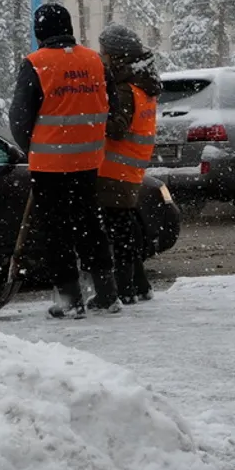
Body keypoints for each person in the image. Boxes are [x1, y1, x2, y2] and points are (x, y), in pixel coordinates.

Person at [6, 3, 122, 317]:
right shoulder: (95, 61)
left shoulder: (36, 63)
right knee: (90, 225)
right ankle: (107, 293)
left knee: (56, 231)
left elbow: (19, 118)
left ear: (39, 30)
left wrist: (35, 147)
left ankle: (70, 300)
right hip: (88, 161)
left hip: (49, 166)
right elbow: (111, 104)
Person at [96, 25, 164, 304]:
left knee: (119, 230)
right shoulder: (142, 84)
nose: (101, 58)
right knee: (128, 226)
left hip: (114, 169)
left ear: (117, 56)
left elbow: (117, 128)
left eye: (104, 53)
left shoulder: (125, 88)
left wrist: (94, 117)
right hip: (131, 167)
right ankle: (139, 285)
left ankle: (125, 289)